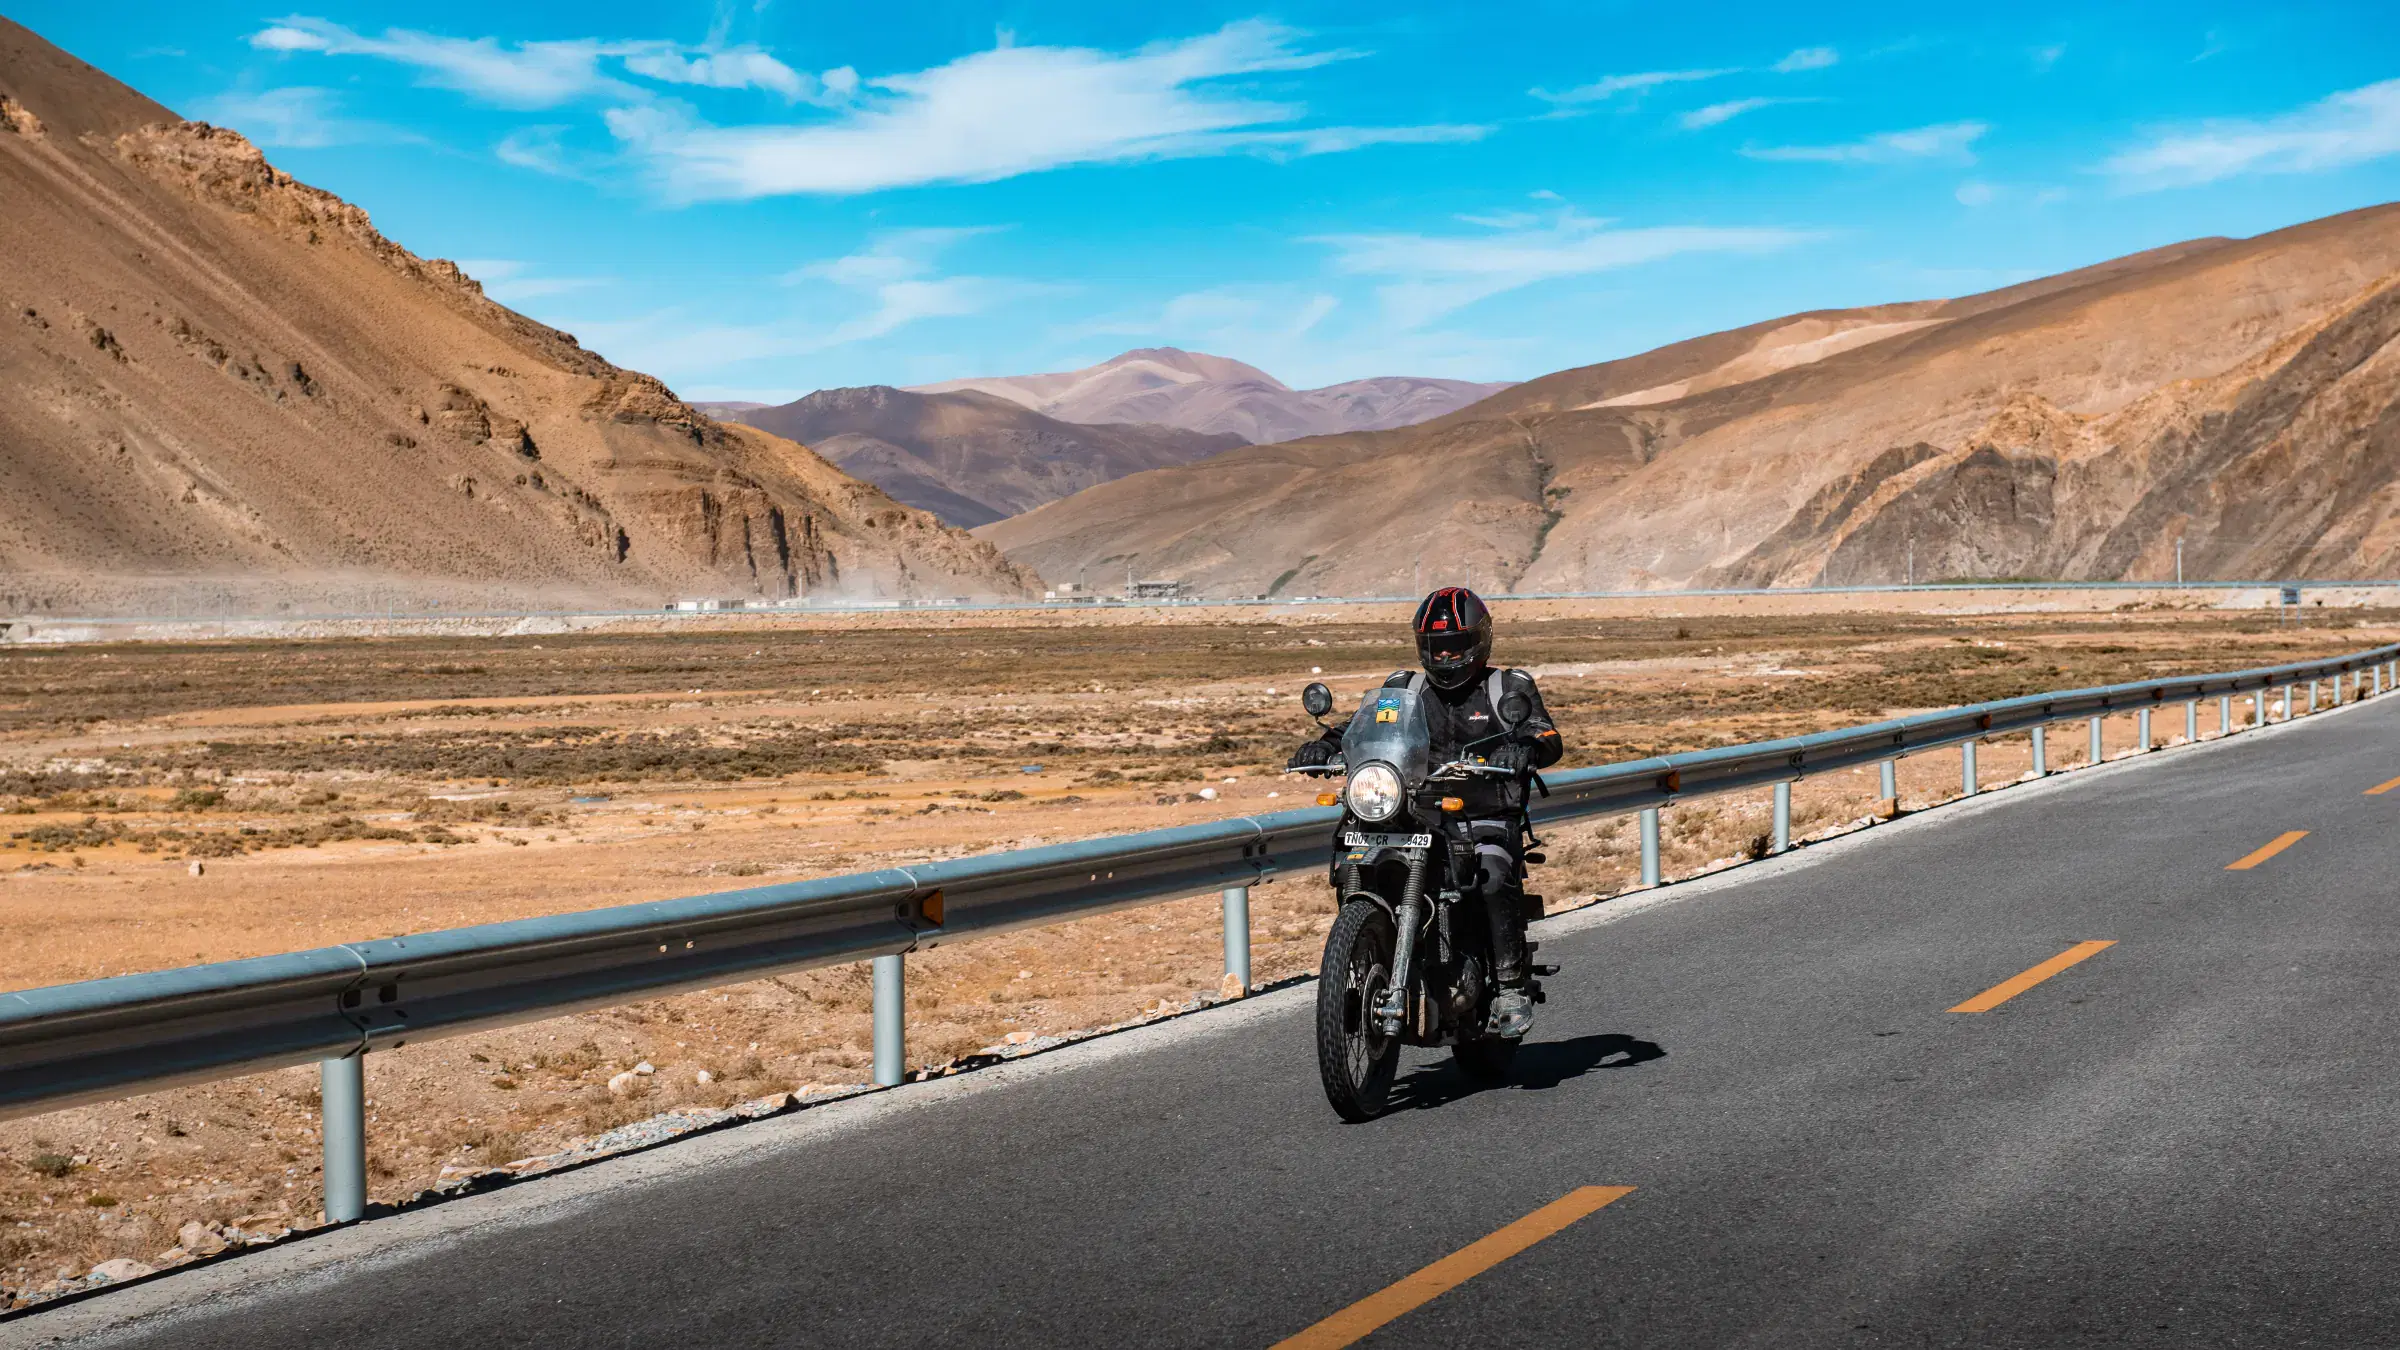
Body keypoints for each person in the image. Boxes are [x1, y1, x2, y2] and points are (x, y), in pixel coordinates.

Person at [1285, 587, 1563, 1037]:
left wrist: (1523, 747)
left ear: (1478, 641)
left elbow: (1545, 734)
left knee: (1490, 874)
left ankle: (1510, 984)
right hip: (1413, 810)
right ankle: (1368, 948)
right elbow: (1361, 726)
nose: (1446, 654)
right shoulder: (1404, 688)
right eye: (1437, 646)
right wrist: (1327, 744)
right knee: (1354, 851)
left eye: (1455, 644)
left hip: (1483, 813)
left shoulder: (1507, 687)